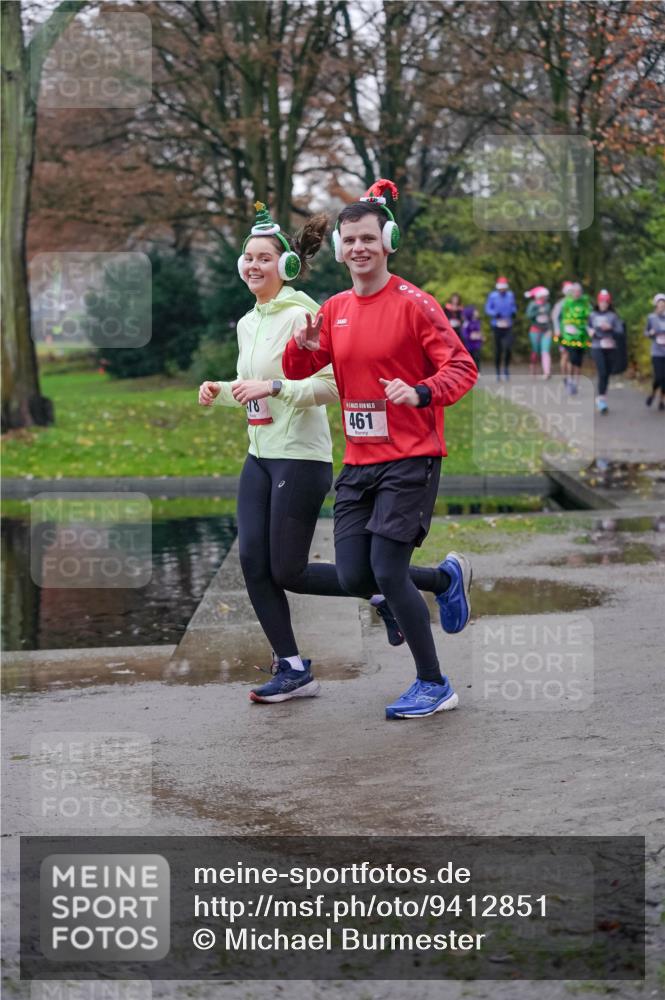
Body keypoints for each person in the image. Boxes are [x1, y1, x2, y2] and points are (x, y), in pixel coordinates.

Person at [282, 179, 478, 720]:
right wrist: (298, 348)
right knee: (353, 576)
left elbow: (462, 369)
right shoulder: (335, 307)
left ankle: (434, 684)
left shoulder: (416, 305)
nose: (358, 248)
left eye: (369, 238)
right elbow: (299, 368)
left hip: (412, 457)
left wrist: (419, 392)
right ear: (341, 248)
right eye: (350, 241)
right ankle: (442, 581)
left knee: (388, 571)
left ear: (388, 240)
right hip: (359, 462)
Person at [198, 202, 402, 705]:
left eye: (264, 258)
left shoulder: (306, 314)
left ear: (285, 266)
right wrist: (219, 389)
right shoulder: (248, 322)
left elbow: (333, 384)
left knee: (288, 571)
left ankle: (410, 585)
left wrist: (275, 387)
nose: (252, 266)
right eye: (247, 258)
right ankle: (291, 668)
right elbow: (254, 386)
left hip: (302, 458)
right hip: (260, 455)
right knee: (251, 560)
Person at [588, 289, 625, 413]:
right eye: (601, 301)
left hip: (610, 346)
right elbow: (587, 326)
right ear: (598, 302)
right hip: (597, 346)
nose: (603, 304)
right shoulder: (592, 315)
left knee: (607, 374)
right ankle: (600, 400)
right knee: (602, 372)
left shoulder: (613, 316)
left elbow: (620, 332)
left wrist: (611, 328)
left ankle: (602, 397)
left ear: (609, 303)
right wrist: (590, 331)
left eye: (605, 302)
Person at [557, 282, 591, 394]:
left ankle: (576, 382)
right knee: (569, 357)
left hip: (581, 336)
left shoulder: (585, 304)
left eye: (579, 292)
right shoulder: (565, 303)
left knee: (578, 360)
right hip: (568, 336)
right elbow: (557, 317)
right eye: (575, 291)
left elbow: (590, 317)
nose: (577, 294)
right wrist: (558, 331)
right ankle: (569, 380)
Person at [484, 277, 516, 381]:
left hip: (508, 324)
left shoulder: (510, 295)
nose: (502, 290)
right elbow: (488, 308)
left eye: (504, 288)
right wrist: (494, 314)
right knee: (498, 349)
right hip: (496, 325)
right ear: (498, 288)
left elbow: (513, 306)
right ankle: (498, 371)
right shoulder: (493, 296)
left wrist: (514, 311)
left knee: (508, 348)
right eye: (500, 288)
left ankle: (506, 368)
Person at [524, 286, 553, 379]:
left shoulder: (548, 305)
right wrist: (538, 311)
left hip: (546, 330)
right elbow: (528, 315)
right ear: (540, 296)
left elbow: (549, 316)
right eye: (545, 296)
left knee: (546, 350)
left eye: (547, 296)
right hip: (535, 330)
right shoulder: (532, 304)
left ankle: (547, 372)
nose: (546, 298)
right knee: (535, 351)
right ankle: (533, 367)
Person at [645, 293, 665, 411]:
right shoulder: (651, 317)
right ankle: (653, 393)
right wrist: (650, 333)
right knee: (659, 377)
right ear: (656, 305)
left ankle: (662, 400)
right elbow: (646, 332)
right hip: (657, 352)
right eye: (660, 303)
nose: (662, 305)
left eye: (663, 303)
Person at [551, 280, 574, 375]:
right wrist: (557, 330)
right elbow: (555, 317)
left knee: (572, 356)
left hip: (574, 333)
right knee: (564, 354)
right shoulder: (560, 304)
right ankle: (564, 376)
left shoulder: (577, 303)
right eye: (568, 291)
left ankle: (570, 377)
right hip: (563, 333)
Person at [461, 305, 483, 370]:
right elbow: (464, 333)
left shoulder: (478, 321)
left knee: (477, 357)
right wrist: (469, 336)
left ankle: (478, 371)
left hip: (477, 343)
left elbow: (479, 331)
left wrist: (481, 336)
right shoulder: (467, 322)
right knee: (471, 358)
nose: (477, 313)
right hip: (469, 344)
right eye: (475, 311)